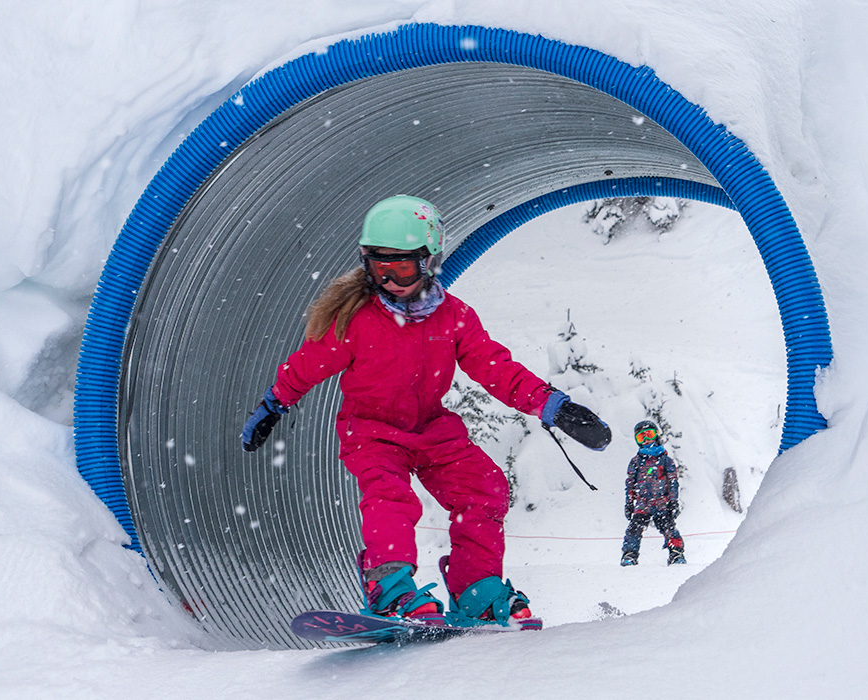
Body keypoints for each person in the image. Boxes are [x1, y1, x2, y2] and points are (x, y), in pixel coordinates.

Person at [241, 194, 611, 629]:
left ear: (429, 261)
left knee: (485, 488)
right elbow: (307, 364)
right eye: (379, 266)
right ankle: (389, 586)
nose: (391, 279)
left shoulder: (453, 317)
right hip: (372, 432)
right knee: (390, 495)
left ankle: (476, 590)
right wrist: (273, 404)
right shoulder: (356, 319)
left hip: (432, 430)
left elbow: (496, 368)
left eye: (403, 266)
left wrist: (554, 406)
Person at [621, 420, 686, 566]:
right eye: (641, 437)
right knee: (634, 528)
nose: (645, 440)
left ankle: (676, 553)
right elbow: (630, 483)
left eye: (649, 435)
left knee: (668, 527)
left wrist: (673, 501)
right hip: (643, 503)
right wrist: (629, 503)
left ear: (656, 436)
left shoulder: (665, 460)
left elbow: (673, 483)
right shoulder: (636, 462)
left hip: (662, 502)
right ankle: (630, 554)